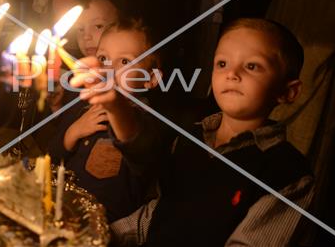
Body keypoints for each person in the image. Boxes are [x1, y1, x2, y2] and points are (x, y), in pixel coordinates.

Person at [112, 18, 314, 246]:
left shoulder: (286, 173)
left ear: (288, 92)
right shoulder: (190, 138)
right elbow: (158, 213)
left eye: (252, 66)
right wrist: (98, 233)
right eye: (222, 64)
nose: (232, 74)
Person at [48, 18, 163, 222]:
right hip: (58, 212)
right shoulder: (82, 105)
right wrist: (73, 132)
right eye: (103, 58)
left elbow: (141, 152)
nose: (109, 68)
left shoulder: (146, 122)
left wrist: (116, 109)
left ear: (151, 78)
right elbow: (53, 155)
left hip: (102, 229)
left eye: (125, 61)